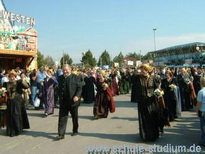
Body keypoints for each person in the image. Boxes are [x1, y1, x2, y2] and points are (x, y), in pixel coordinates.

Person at [136, 64, 166, 141]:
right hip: (142, 101)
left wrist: (159, 92)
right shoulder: (138, 78)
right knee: (144, 118)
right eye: (141, 69)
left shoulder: (154, 77)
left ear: (147, 70)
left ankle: (154, 134)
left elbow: (158, 88)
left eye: (143, 69)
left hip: (152, 100)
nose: (142, 71)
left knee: (152, 116)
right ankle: (146, 135)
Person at [56, 64, 82, 140]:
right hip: (63, 102)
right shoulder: (60, 78)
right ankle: (61, 134)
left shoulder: (75, 77)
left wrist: (77, 96)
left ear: (70, 69)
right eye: (63, 70)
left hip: (73, 101)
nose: (65, 71)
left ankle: (75, 130)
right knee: (62, 118)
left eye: (66, 70)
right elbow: (58, 88)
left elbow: (79, 88)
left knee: (74, 117)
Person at [3, 70, 30, 137]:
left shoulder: (18, 82)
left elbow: (26, 86)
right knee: (10, 116)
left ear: (15, 77)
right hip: (9, 102)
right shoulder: (5, 84)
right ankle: (11, 130)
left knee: (16, 115)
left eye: (13, 77)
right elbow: (4, 91)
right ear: (8, 77)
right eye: (10, 77)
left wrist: (22, 80)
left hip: (17, 101)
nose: (12, 78)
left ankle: (17, 130)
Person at [196, 76, 205, 146]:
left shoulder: (201, 92)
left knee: (203, 126)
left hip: (203, 111)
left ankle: (203, 140)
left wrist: (197, 110)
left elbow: (199, 103)